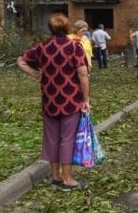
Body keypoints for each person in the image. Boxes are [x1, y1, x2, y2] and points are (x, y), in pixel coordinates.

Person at [17, 13, 90, 191]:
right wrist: (86, 99)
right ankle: (68, 180)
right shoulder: (75, 47)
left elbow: (20, 61)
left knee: (52, 138)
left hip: (49, 101)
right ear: (66, 28)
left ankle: (56, 177)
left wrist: (36, 75)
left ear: (50, 28)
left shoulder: (42, 47)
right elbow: (82, 74)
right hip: (71, 100)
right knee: (67, 139)